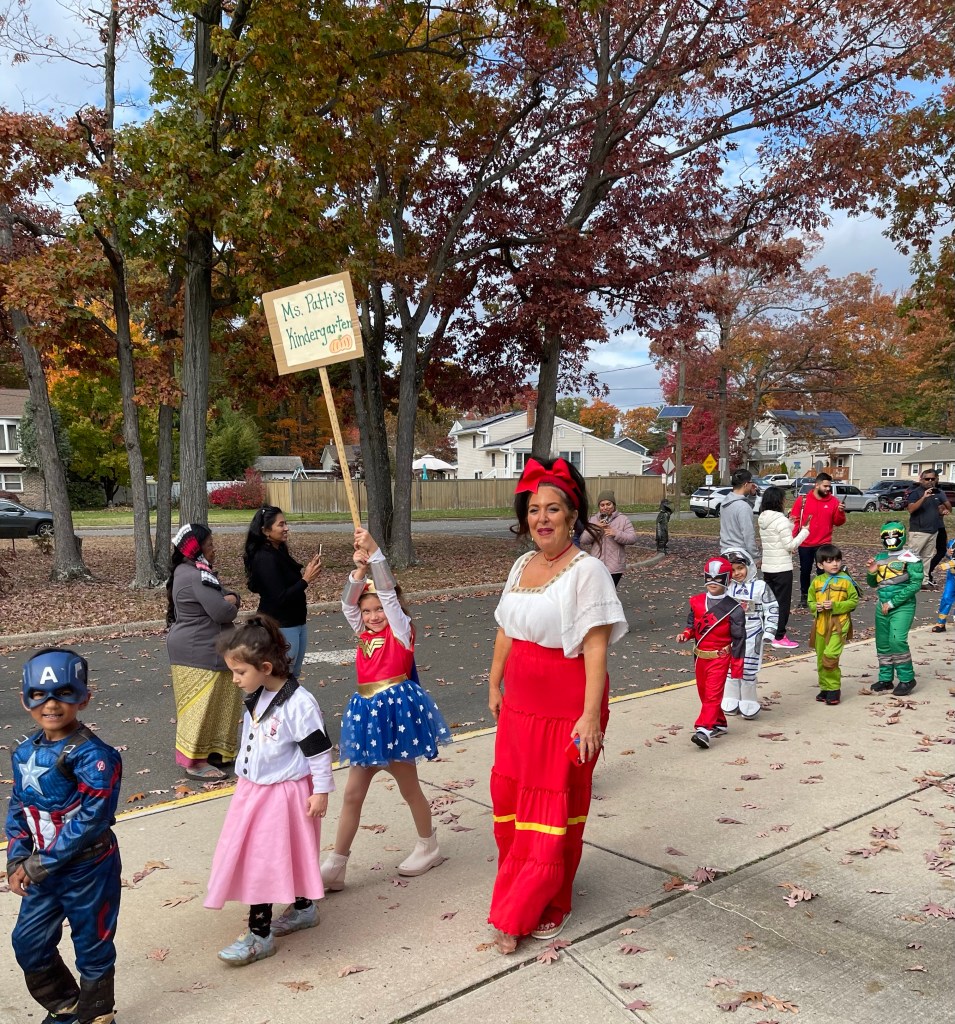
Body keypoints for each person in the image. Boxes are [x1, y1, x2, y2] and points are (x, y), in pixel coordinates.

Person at [487, 457, 628, 955]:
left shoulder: (588, 571)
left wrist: (589, 717)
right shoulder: (521, 566)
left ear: (571, 515)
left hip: (567, 703)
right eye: (533, 510)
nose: (541, 518)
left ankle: (543, 901)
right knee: (512, 800)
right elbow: (506, 629)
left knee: (553, 804)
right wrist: (494, 683)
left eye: (552, 509)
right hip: (520, 704)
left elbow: (596, 647)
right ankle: (519, 890)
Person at [320, 527, 452, 892]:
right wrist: (359, 572)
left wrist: (376, 552)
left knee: (409, 788)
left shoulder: (400, 631)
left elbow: (390, 596)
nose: (374, 615)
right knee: (352, 794)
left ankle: (428, 845)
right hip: (367, 721)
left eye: (378, 609)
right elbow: (347, 605)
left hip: (395, 719)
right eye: (368, 611)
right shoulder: (363, 633)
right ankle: (336, 864)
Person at [205, 616, 334, 966]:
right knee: (271, 854)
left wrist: (321, 791)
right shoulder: (258, 694)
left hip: (283, 795)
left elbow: (318, 751)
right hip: (254, 792)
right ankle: (304, 908)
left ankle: (259, 935)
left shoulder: (299, 704)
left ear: (265, 667)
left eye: (239, 672)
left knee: (261, 860)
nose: (234, 679)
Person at [6, 648, 123, 1024]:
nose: (51, 704)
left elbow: (92, 818)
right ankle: (67, 1007)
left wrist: (40, 863)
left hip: (89, 868)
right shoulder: (25, 752)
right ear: (26, 699)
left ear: (83, 698)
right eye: (39, 695)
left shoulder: (95, 757)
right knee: (29, 942)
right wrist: (17, 857)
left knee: (92, 944)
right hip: (43, 869)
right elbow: (19, 806)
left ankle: (97, 1016)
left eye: (64, 693)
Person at [166, 523, 243, 780]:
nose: (214, 549)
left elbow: (226, 596)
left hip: (209, 650)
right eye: (210, 545)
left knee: (220, 705)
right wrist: (233, 600)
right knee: (200, 708)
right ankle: (195, 763)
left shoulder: (195, 571)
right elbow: (222, 611)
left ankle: (215, 754)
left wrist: (231, 597)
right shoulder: (195, 575)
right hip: (197, 652)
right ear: (196, 549)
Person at [244, 505, 323, 679]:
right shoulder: (264, 557)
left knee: (292, 674)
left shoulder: (278, 550)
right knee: (282, 676)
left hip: (296, 621)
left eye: (286, 523)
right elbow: (279, 598)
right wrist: (306, 579)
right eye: (281, 525)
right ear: (265, 530)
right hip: (281, 625)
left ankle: (291, 699)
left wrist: (306, 575)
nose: (286, 528)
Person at [677, 556, 746, 749]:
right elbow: (692, 625)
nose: (713, 582)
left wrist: (737, 666)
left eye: (718, 578)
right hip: (700, 656)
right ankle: (719, 722)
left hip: (719, 657)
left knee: (713, 694)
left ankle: (704, 729)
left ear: (727, 580)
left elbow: (739, 639)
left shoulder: (735, 609)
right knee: (704, 692)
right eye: (709, 577)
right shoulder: (696, 601)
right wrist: (686, 634)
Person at [866, 521, 923, 697]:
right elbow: (873, 583)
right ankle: (885, 679)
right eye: (887, 536)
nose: (890, 539)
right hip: (882, 606)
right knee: (883, 642)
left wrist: (893, 603)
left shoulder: (911, 557)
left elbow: (915, 584)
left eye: (894, 535)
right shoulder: (880, 557)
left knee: (897, 640)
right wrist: (871, 572)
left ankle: (907, 679)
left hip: (902, 606)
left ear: (902, 535)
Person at [720, 549, 779, 719]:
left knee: (748, 669)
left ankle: (748, 700)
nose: (737, 573)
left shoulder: (761, 587)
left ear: (749, 566)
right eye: (732, 570)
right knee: (729, 667)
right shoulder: (726, 587)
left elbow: (772, 608)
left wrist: (769, 630)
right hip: (730, 634)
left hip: (753, 632)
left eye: (740, 568)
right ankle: (731, 697)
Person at [806, 545, 860, 707]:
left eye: (837, 560)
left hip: (839, 624)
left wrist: (836, 606)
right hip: (821, 624)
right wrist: (816, 607)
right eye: (829, 561)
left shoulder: (846, 581)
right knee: (820, 658)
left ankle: (834, 689)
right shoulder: (817, 581)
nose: (835, 564)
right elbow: (810, 601)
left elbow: (853, 601)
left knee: (830, 657)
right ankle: (825, 688)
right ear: (820, 565)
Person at [757, 485, 810, 649]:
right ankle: (779, 636)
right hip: (782, 568)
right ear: (778, 501)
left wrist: (790, 524)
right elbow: (790, 545)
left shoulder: (763, 518)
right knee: (782, 603)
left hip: (768, 567)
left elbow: (776, 538)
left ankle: (768, 631)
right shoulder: (780, 520)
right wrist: (804, 531)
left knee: (770, 602)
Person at [790, 472, 847, 607]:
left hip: (824, 543)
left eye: (829, 486)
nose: (828, 489)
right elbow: (795, 520)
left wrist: (840, 512)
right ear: (817, 485)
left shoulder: (834, 501)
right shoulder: (803, 500)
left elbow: (838, 522)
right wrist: (793, 540)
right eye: (825, 486)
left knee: (823, 571)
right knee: (805, 570)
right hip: (805, 542)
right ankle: (805, 596)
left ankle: (822, 594)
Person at [579, 489, 638, 587]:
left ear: (614, 505)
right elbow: (583, 540)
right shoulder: (593, 520)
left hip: (615, 566)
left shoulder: (623, 519)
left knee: (609, 591)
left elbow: (632, 538)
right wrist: (596, 528)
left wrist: (616, 533)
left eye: (608, 504)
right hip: (597, 565)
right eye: (602, 505)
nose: (605, 507)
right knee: (598, 591)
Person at [906, 469, 952, 589]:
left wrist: (943, 511)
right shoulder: (916, 493)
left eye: (932, 479)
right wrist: (924, 497)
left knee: (927, 557)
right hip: (919, 531)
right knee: (913, 556)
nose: (930, 481)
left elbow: (940, 509)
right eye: (927, 479)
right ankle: (908, 580)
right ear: (921, 479)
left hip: (933, 530)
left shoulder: (937, 493)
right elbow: (911, 509)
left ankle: (924, 581)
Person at [719, 469, 760, 564]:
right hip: (741, 555)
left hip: (725, 552)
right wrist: (756, 557)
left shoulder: (725, 503)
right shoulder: (743, 507)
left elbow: (743, 508)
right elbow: (748, 535)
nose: (752, 484)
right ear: (746, 484)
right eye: (751, 482)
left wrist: (752, 496)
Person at [931, 536, 955, 633]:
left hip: (951, 568)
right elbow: (949, 555)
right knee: (946, 597)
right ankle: (941, 622)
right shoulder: (952, 542)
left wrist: (947, 565)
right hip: (952, 576)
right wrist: (948, 554)